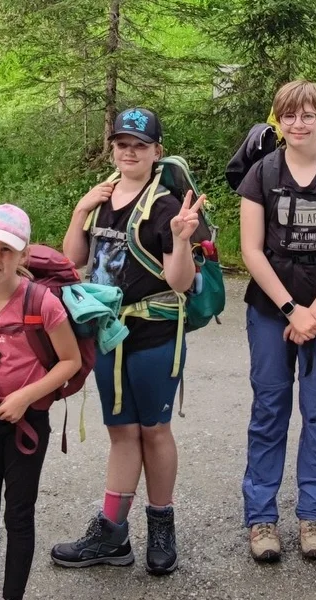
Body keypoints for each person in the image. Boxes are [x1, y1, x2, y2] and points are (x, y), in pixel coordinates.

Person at [50, 107, 206, 576]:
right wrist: (80, 208)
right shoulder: (101, 198)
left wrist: (181, 240)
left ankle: (161, 525)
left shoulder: (163, 207)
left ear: (157, 152)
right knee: (121, 432)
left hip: (155, 334)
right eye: (122, 144)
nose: (129, 152)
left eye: (139, 145)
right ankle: (113, 533)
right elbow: (72, 260)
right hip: (108, 332)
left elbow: (180, 284)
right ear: (113, 148)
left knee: (154, 432)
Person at [233, 80, 316, 562]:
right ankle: (262, 519)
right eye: (289, 116)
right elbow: (250, 249)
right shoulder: (261, 174)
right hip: (272, 311)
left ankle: (314, 514)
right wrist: (293, 310)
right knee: (269, 411)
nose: (298, 124)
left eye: (308, 115)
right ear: (278, 120)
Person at [0, 205, 82, 600]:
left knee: (19, 515)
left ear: (24, 255)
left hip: (29, 421)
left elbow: (70, 361)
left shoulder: (42, 303)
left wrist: (26, 397)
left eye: (5, 250)